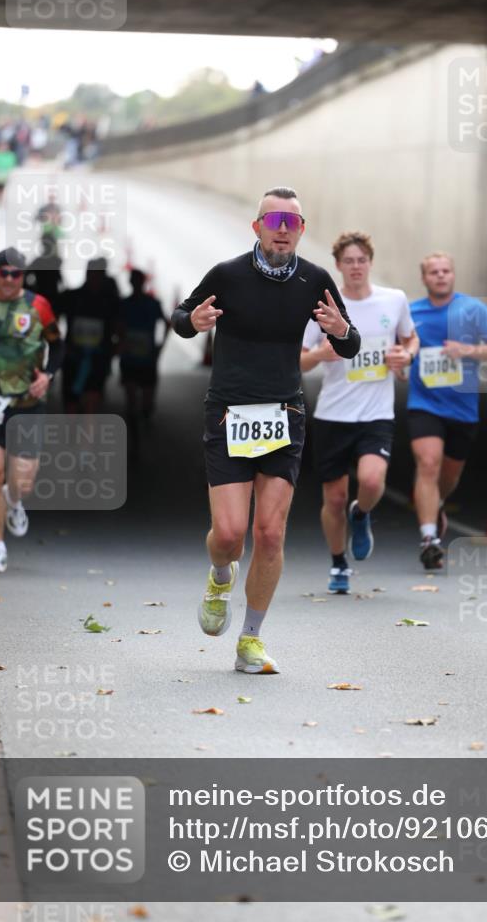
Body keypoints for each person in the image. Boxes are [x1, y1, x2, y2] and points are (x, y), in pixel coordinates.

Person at [171, 187, 360, 674]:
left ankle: (250, 640)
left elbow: (352, 342)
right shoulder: (227, 275)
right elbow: (180, 320)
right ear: (257, 227)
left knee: (270, 534)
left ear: (301, 231)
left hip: (284, 414)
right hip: (229, 413)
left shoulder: (315, 280)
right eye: (273, 219)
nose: (282, 227)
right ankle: (219, 576)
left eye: (292, 221)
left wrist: (340, 330)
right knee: (231, 535)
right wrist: (192, 320)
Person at [301, 231, 418, 593]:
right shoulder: (323, 309)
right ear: (337, 266)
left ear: (370, 262)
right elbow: (299, 362)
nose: (355, 267)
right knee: (333, 498)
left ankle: (362, 513)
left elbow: (409, 337)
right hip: (333, 415)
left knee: (370, 481)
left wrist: (406, 354)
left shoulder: (393, 300)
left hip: (376, 414)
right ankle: (338, 564)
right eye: (348, 261)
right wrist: (320, 355)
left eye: (361, 260)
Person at [408, 252, 487, 570]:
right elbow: (399, 347)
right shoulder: (412, 313)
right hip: (423, 403)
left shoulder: (472, 309)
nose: (440, 276)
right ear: (424, 278)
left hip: (462, 408)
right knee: (428, 462)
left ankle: (435, 505)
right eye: (433, 272)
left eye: (446, 271)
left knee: (448, 475)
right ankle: (429, 539)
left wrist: (466, 350)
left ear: (453, 275)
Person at [0, 248, 64, 573]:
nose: (10, 279)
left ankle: (13, 501)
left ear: (23, 276)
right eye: (4, 273)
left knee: (22, 482)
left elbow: (57, 344)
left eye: (16, 274)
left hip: (28, 404)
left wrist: (48, 375)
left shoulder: (38, 306)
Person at [60, 258, 120, 414]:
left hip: (97, 360)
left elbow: (119, 328)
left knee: (90, 407)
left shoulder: (110, 302)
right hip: (73, 359)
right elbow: (49, 320)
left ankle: (85, 438)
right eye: (92, 273)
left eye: (98, 274)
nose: (95, 277)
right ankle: (73, 437)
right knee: (71, 408)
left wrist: (113, 350)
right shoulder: (71, 297)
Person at [117, 268, 169, 444]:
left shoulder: (151, 303)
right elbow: (116, 325)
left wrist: (160, 346)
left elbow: (167, 323)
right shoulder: (126, 304)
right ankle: (135, 435)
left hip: (144, 359)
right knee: (132, 401)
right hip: (133, 359)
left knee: (145, 404)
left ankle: (141, 426)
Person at [0, 141, 18, 206]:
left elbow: (11, 163)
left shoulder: (10, 155)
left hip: (5, 175)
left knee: (4, 189)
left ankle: (2, 201)